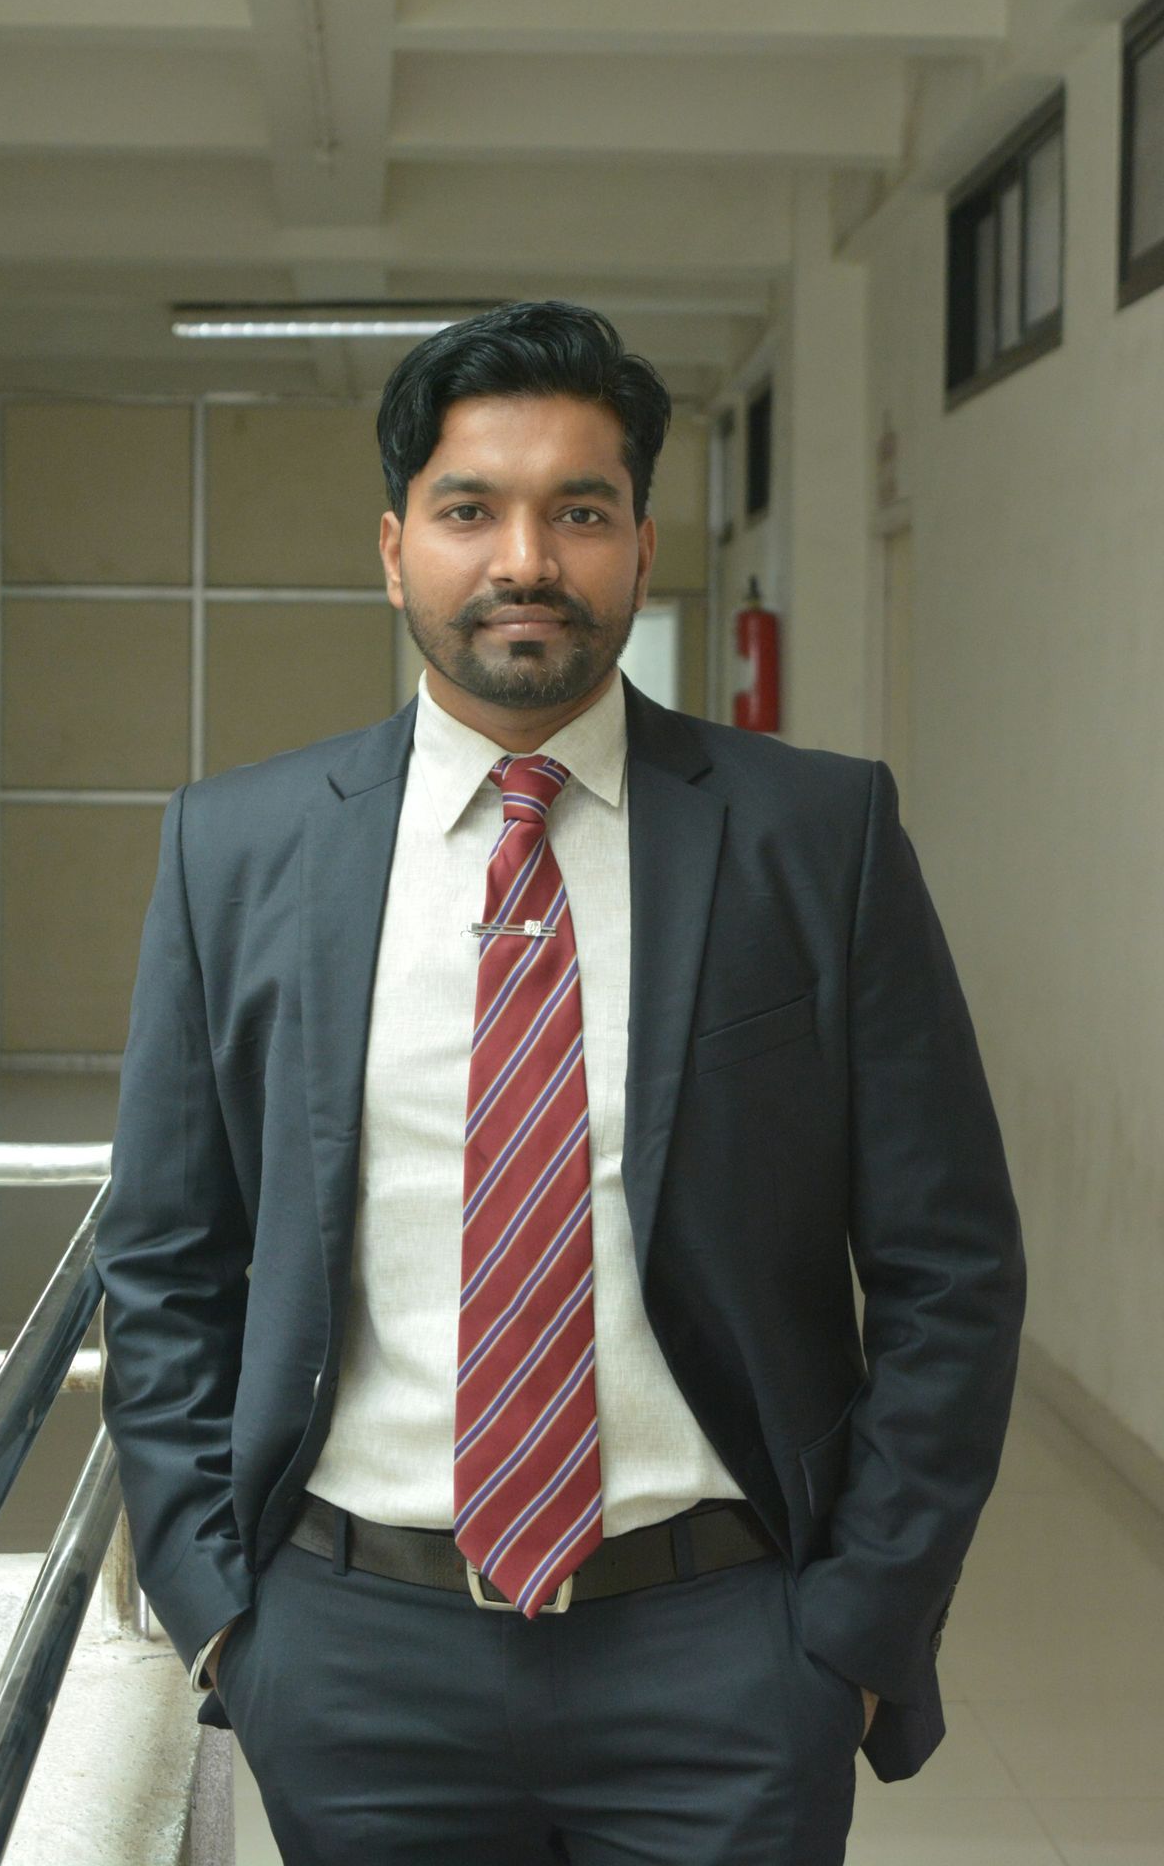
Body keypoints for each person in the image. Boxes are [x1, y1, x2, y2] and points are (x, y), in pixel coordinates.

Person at [96, 300, 1026, 1865]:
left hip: (724, 1654)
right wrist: (222, 1618)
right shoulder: (236, 852)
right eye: (471, 510)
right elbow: (167, 1258)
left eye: (577, 511)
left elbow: (953, 1268)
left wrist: (855, 1627)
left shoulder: (817, 840)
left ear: (641, 548)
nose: (525, 556)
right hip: (354, 1654)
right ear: (397, 549)